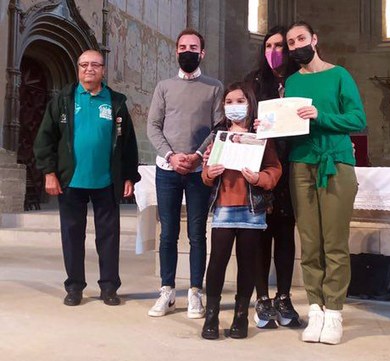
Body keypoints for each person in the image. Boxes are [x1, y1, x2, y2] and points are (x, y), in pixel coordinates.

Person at [34, 50, 141, 306]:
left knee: (109, 236)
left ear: (103, 69)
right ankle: (74, 287)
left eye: (95, 64)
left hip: (106, 180)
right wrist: (49, 173)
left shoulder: (115, 102)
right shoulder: (63, 100)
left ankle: (109, 287)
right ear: (78, 69)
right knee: (72, 235)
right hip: (71, 180)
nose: (89, 69)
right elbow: (45, 139)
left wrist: (128, 176)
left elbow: (128, 143)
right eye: (84, 65)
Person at [284, 21, 367, 344]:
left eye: (301, 39)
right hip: (301, 163)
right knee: (310, 242)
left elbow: (358, 119)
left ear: (315, 39)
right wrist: (269, 125)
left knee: (334, 241)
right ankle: (315, 308)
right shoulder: (290, 83)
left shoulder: (339, 75)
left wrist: (321, 116)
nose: (296, 46)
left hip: (335, 163)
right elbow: (289, 125)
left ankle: (334, 312)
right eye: (290, 42)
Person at [147, 28, 224, 318]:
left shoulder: (214, 86)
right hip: (168, 168)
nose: (187, 51)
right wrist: (171, 155)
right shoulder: (164, 86)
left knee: (196, 234)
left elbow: (219, 127)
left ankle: (195, 292)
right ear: (176, 51)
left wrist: (194, 156)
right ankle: (167, 291)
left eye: (193, 47)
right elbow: (153, 126)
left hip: (198, 169)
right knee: (167, 233)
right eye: (182, 47)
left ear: (202, 53)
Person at [201, 82, 282, 340]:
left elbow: (274, 169)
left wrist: (259, 178)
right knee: (217, 262)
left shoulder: (261, 136)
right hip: (224, 207)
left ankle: (241, 316)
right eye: (229, 102)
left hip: (251, 208)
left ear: (249, 103)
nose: (234, 106)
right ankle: (211, 316)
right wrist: (208, 173)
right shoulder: (218, 137)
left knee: (248, 263)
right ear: (223, 107)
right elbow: (206, 173)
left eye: (239, 101)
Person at [245, 26, 301, 329]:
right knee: (262, 234)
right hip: (263, 164)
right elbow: (235, 115)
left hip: (294, 165)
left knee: (285, 234)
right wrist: (250, 122)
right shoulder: (254, 82)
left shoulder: (300, 80)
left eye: (280, 45)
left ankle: (283, 296)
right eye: (269, 45)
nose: (274, 51)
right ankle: (262, 298)